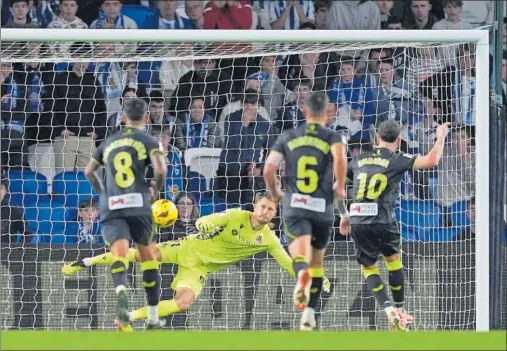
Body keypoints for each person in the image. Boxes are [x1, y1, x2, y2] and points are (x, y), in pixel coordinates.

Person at [61, 194, 331, 329]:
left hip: (200, 267)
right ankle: (86, 261)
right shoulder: (236, 215)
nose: (265, 211)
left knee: (183, 303)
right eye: (262, 206)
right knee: (141, 256)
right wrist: (204, 226)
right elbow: (205, 220)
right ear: (255, 206)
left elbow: (287, 262)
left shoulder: (269, 239)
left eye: (271, 209)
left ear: (274, 215)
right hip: (188, 248)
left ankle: (128, 318)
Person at [341, 119, 449, 331]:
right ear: (399, 141)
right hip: (383, 219)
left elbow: (337, 185)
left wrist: (343, 214)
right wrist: (441, 136)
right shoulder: (396, 158)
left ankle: (389, 310)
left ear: (377, 137)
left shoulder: (358, 160)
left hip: (358, 219)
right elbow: (432, 160)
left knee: (369, 268)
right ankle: (399, 310)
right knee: (393, 261)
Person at [263, 91, 349, 331]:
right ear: (329, 112)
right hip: (322, 208)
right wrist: (340, 185)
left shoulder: (288, 136)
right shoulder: (334, 136)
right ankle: (309, 316)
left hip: (296, 206)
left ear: (304, 111)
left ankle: (301, 277)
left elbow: (268, 169)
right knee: (318, 264)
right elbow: (341, 159)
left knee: (300, 258)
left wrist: (275, 193)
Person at [83, 98, 167, 331]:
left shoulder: (108, 142)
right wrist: (156, 188)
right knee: (148, 257)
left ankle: (121, 294)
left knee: (119, 256)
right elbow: (161, 169)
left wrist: (103, 194)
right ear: (147, 118)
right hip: (138, 204)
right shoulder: (149, 140)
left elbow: (88, 171)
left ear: (123, 117)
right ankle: (152, 317)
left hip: (112, 205)